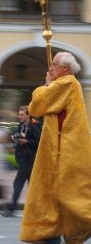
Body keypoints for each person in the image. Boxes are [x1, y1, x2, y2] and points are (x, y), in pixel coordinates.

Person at [20, 52, 91, 244]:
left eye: (53, 65)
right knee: (54, 200)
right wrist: (50, 84)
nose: (50, 68)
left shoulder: (66, 82)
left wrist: (47, 83)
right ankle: (51, 234)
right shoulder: (66, 84)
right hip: (57, 150)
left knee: (62, 199)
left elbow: (36, 105)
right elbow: (37, 109)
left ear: (64, 69)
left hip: (60, 153)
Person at [0, 105, 41, 217]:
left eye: (22, 114)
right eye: (19, 114)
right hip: (24, 159)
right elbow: (17, 136)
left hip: (29, 160)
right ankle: (38, 210)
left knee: (18, 184)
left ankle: (10, 210)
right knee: (32, 187)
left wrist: (26, 141)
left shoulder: (34, 126)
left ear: (28, 115)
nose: (20, 116)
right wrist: (14, 137)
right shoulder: (22, 125)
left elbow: (39, 142)